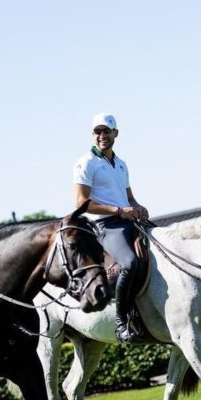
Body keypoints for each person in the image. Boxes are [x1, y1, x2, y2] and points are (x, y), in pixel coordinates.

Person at [73, 113, 150, 343]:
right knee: (131, 263)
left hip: (126, 221)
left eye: (106, 131)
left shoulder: (121, 164)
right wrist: (118, 211)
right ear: (93, 135)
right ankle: (121, 322)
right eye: (98, 131)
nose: (102, 136)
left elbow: (129, 198)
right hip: (105, 226)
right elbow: (81, 203)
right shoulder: (85, 162)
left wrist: (138, 206)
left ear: (116, 133)